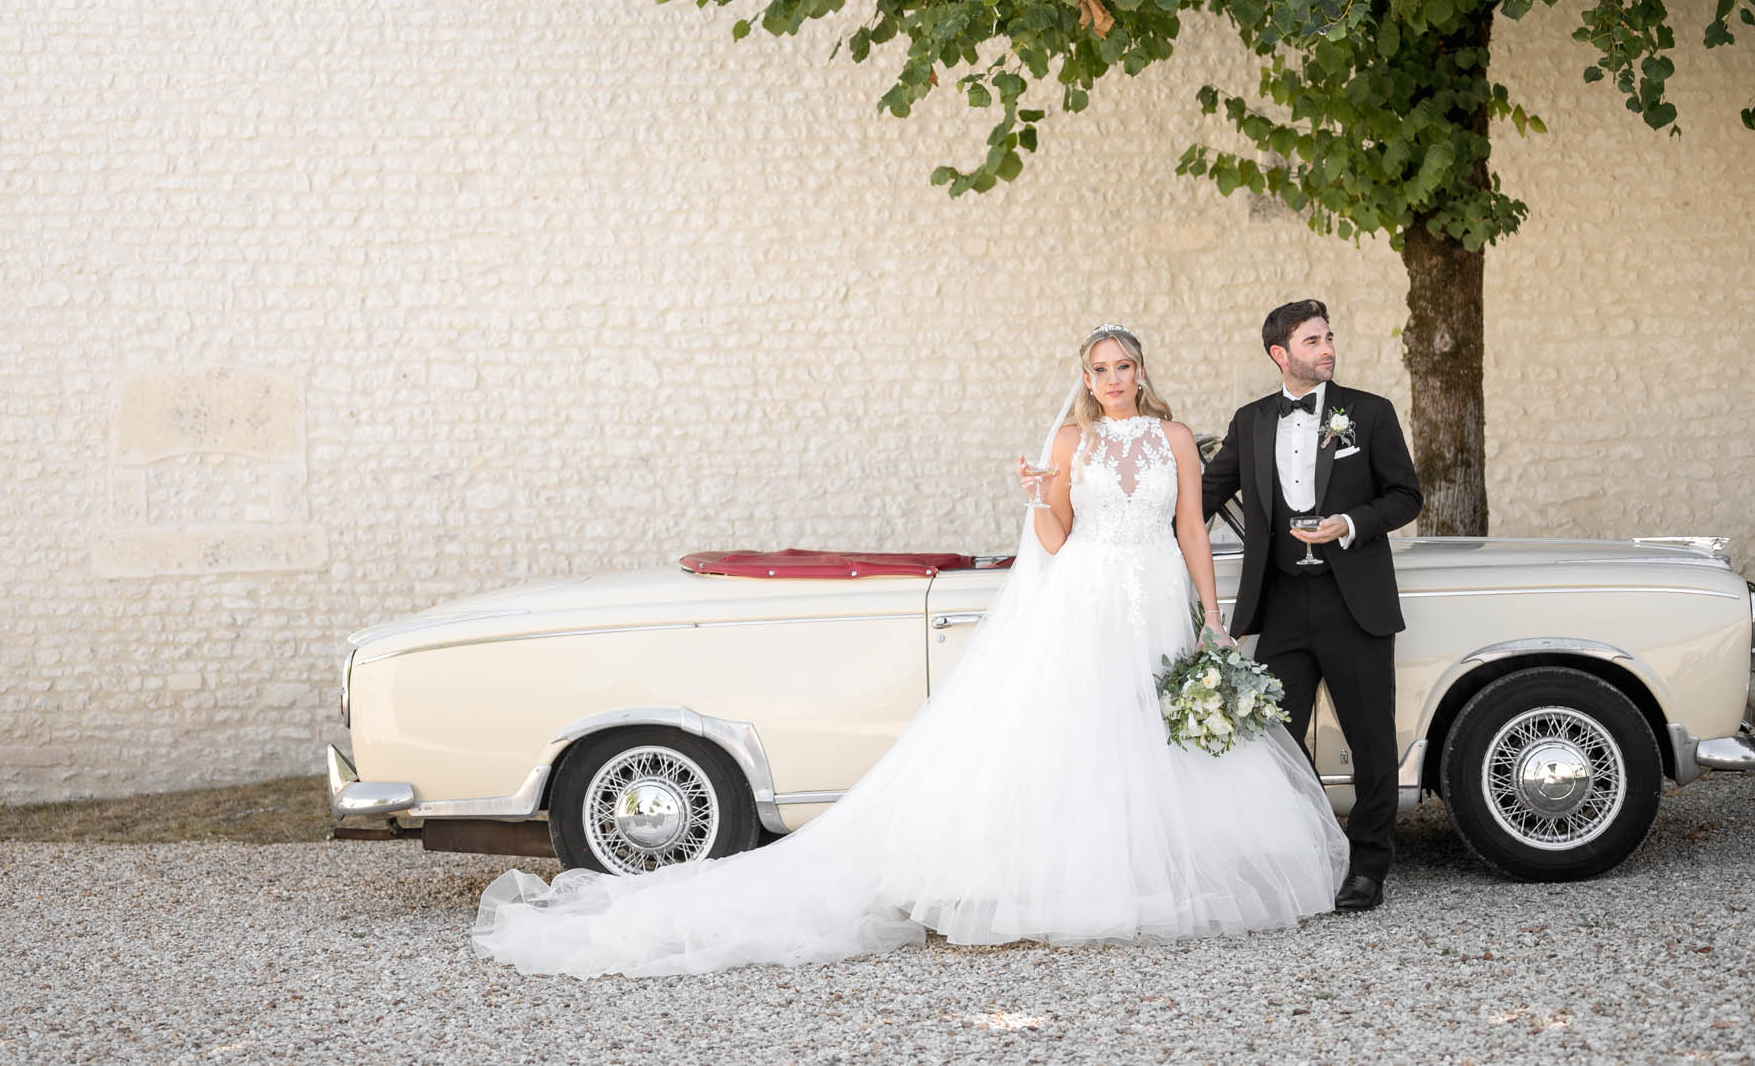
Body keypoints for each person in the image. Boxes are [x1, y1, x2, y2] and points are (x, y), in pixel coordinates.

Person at [470, 325, 1346, 977]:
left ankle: (1170, 867)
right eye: (1101, 371)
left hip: (1157, 590)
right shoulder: (1072, 442)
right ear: (1085, 380)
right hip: (1086, 598)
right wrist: (1042, 494)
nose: (1116, 381)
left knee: (1157, 729)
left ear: (1142, 371)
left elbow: (1192, 525)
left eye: (1126, 368)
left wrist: (1212, 614)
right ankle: (1076, 877)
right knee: (1089, 726)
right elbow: (1054, 538)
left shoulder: (1174, 437)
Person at [1200, 300, 1423, 913]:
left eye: (1329, 338)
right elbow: (1204, 496)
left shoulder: (1370, 413)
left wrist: (1350, 522)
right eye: (1313, 340)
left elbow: (1406, 497)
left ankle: (1368, 868)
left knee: (1371, 741)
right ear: (1281, 354)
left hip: (1354, 601)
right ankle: (1309, 852)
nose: (1327, 349)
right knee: (1273, 740)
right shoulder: (1249, 421)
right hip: (1281, 604)